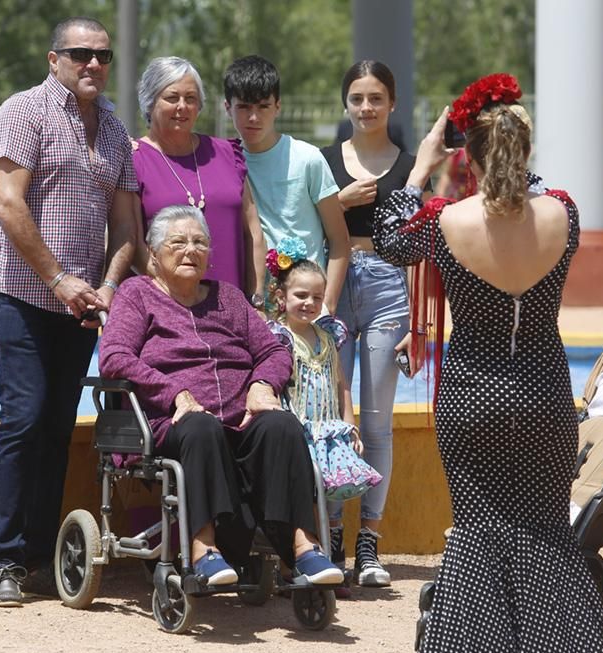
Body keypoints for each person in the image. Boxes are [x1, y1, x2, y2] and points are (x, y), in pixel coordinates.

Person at [372, 73, 603, 653]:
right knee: (545, 532)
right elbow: (523, 190)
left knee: (479, 532)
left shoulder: (443, 220)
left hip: (471, 397)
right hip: (542, 394)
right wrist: (504, 140)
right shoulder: (563, 212)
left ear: (468, 155)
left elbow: (387, 240)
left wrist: (421, 166)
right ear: (526, 150)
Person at [0, 16, 137, 607]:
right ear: (54, 58)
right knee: (25, 415)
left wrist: (110, 283)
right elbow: (6, 202)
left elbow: (123, 225)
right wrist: (58, 277)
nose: (92, 64)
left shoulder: (117, 131)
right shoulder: (23, 112)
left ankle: (39, 555)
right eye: (80, 54)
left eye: (102, 56)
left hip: (82, 304)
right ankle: (1, 560)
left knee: (56, 426)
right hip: (21, 290)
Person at [99, 205, 343, 585]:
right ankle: (204, 551)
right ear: (153, 254)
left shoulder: (228, 298)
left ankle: (304, 550)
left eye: (199, 242)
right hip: (173, 423)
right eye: (177, 242)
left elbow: (274, 352)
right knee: (201, 428)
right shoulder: (137, 295)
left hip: (239, 421)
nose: (190, 250)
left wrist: (263, 384)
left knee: (282, 426)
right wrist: (174, 393)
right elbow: (114, 358)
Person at [318, 60, 417, 588]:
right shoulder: (325, 161)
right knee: (334, 417)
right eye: (357, 98)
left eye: (376, 97)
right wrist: (340, 201)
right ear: (346, 103)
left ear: (392, 103)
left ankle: (370, 543)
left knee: (377, 421)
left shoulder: (407, 166)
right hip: (334, 284)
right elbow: (308, 223)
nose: (366, 107)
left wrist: (416, 324)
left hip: (387, 288)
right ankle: (332, 533)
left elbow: (422, 246)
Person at [223, 55, 350, 312]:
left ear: (278, 106)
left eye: (263, 106)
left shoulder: (308, 159)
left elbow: (339, 241)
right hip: (251, 306)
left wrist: (328, 305)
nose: (254, 117)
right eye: (244, 107)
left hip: (305, 309)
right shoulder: (223, 161)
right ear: (227, 108)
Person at [132, 56, 264, 297]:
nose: (182, 106)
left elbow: (253, 231)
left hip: (233, 307)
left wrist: (257, 300)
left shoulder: (226, 153)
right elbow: (132, 243)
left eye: (190, 98)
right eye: (172, 98)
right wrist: (176, 296)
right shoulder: (134, 160)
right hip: (169, 309)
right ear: (150, 102)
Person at [266, 251, 380, 504]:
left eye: (317, 297)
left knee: (326, 491)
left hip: (328, 430)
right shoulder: (278, 338)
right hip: (297, 429)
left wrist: (350, 426)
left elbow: (342, 385)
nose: (309, 303)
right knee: (299, 491)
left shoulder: (328, 337)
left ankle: (326, 537)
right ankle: (306, 539)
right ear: (281, 297)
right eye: (301, 295)